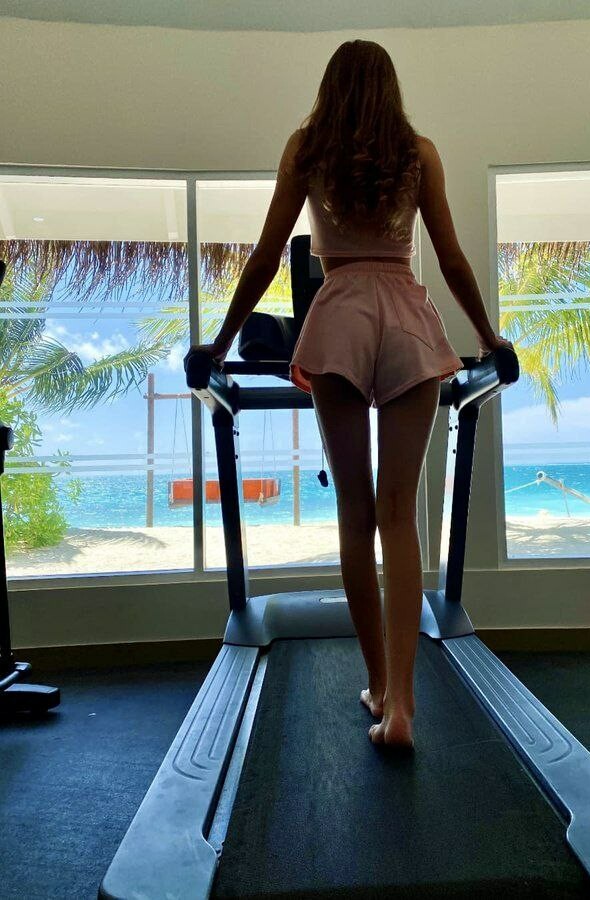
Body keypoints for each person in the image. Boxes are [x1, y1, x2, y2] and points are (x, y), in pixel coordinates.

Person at [189, 40, 513, 750]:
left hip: (337, 314)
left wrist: (220, 341)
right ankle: (404, 707)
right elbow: (451, 258)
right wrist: (489, 336)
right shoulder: (417, 153)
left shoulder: (308, 149)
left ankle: (377, 685)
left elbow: (266, 256)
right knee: (399, 515)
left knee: (355, 511)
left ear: (330, 88)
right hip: (406, 316)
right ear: (390, 88)